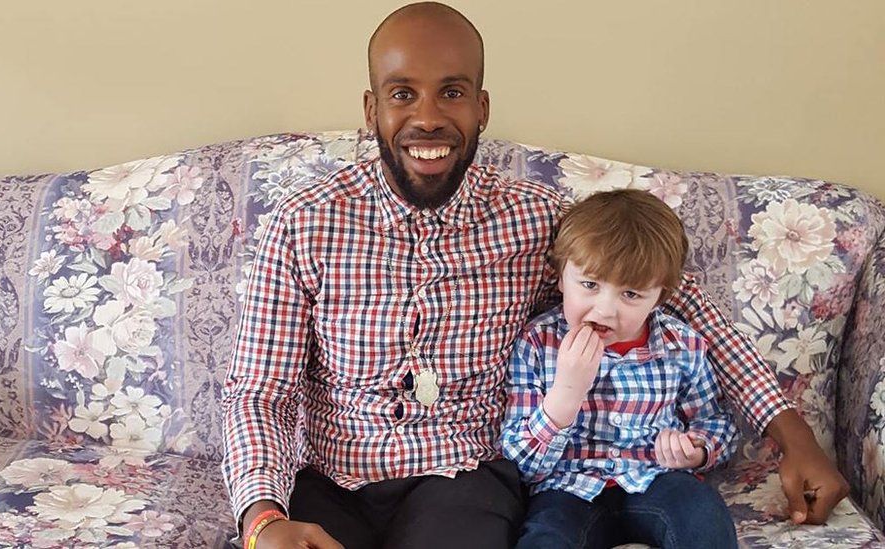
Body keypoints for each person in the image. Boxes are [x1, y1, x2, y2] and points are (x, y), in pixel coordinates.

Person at [223, 3, 848, 548]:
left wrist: (794, 435)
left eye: (453, 91)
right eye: (402, 93)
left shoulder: (534, 221)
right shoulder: (305, 223)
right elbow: (259, 393)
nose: (429, 118)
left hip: (464, 474)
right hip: (334, 477)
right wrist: (261, 518)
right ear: (372, 108)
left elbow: (684, 309)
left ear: (482, 107)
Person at [501, 189, 738, 548]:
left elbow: (716, 422)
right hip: (567, 489)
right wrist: (565, 396)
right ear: (561, 277)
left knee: (704, 517)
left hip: (657, 479)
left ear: (661, 295)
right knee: (544, 539)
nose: (606, 309)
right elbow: (521, 465)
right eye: (590, 285)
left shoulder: (682, 345)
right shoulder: (537, 344)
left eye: (631, 295)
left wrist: (697, 448)